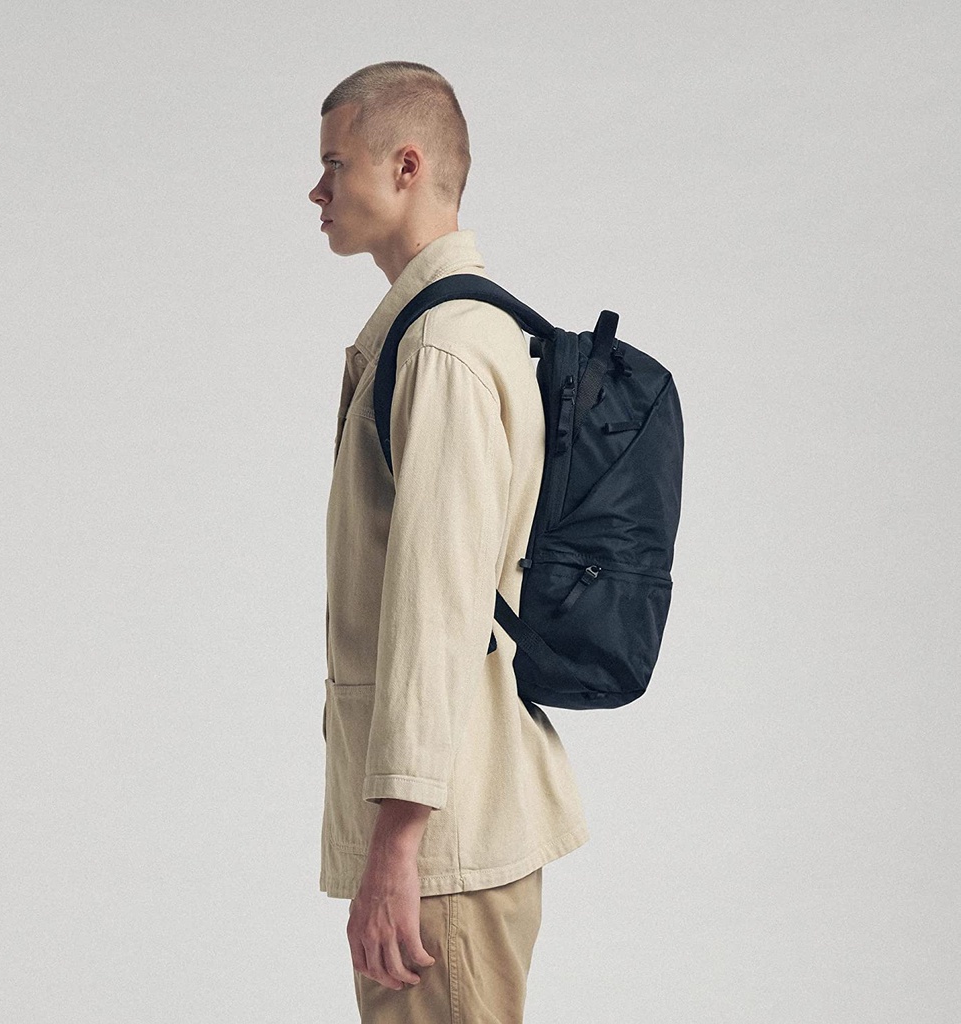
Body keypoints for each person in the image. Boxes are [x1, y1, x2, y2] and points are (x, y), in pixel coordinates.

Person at [309, 60, 589, 1022]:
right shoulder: (439, 332)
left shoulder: (440, 347)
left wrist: (398, 843)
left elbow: (438, 611)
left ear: (406, 166)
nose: (317, 191)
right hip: (441, 826)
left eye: (334, 164)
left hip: (442, 841)